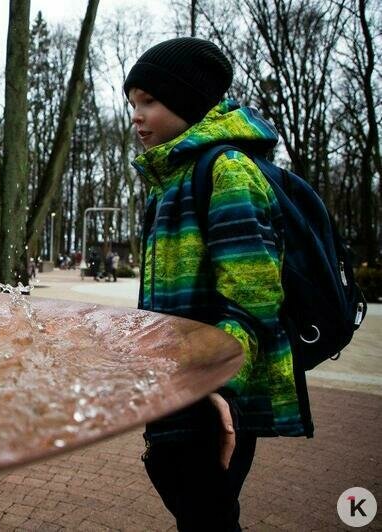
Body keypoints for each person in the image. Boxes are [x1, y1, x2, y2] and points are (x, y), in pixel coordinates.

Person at [124, 37, 310, 531]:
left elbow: (254, 298)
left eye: (149, 102)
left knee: (207, 513)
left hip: (214, 394)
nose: (137, 117)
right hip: (180, 385)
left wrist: (222, 388)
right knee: (183, 490)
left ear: (186, 103)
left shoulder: (226, 173)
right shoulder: (171, 182)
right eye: (132, 104)